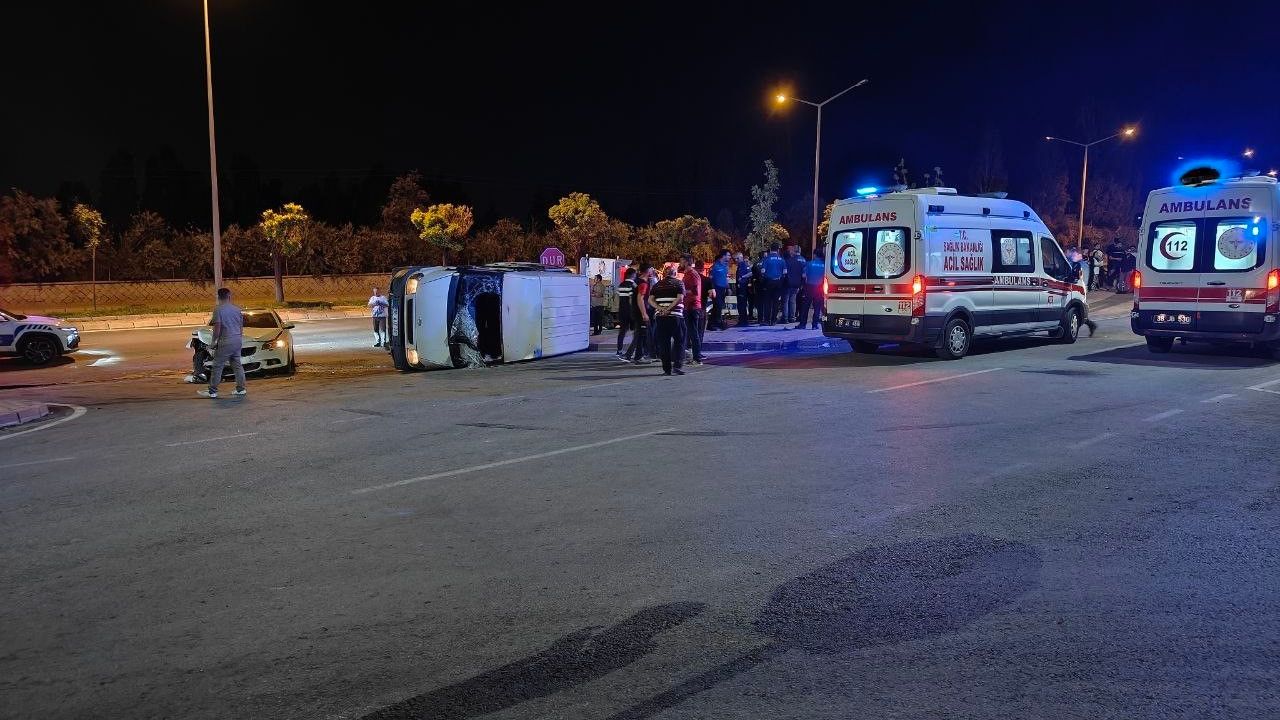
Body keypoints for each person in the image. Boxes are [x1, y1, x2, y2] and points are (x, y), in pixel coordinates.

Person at [198, 287, 247, 399]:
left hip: (225, 341)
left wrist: (213, 342)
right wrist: (238, 338)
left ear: (218, 297)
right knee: (237, 365)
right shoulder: (237, 310)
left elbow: (217, 328)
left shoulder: (218, 310)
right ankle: (241, 389)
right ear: (229, 296)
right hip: (237, 340)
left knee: (217, 366)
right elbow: (240, 327)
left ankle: (212, 391)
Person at [650, 265, 687, 376]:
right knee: (680, 341)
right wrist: (669, 309)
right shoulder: (679, 283)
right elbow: (680, 298)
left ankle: (667, 369)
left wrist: (660, 308)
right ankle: (677, 366)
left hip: (661, 317)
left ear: (664, 274)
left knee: (664, 343)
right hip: (676, 317)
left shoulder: (657, 285)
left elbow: (650, 300)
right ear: (675, 273)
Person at [626, 265, 654, 364]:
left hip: (635, 311)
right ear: (647, 271)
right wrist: (644, 313)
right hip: (640, 312)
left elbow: (631, 298)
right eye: (651, 269)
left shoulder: (636, 282)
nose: (652, 271)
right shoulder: (643, 283)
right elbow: (640, 299)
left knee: (641, 334)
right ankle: (638, 356)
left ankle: (641, 355)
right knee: (641, 334)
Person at [679, 255, 704, 365]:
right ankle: (693, 356)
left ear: (686, 262)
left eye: (681, 261)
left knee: (694, 334)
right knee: (690, 333)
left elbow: (695, 291)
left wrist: (682, 291)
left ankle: (697, 358)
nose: (680, 263)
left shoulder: (693, 274)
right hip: (688, 307)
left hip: (692, 307)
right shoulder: (688, 274)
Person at [796, 247, 826, 329]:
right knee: (817, 307)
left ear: (815, 255)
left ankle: (802, 324)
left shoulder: (809, 264)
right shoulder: (824, 265)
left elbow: (803, 275)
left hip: (809, 287)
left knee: (806, 306)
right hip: (820, 287)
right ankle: (814, 325)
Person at [761, 243, 787, 325]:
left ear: (770, 249)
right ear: (778, 250)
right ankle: (773, 320)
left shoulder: (766, 259)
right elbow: (785, 272)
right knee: (776, 302)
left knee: (767, 301)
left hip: (768, 282)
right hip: (778, 282)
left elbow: (763, 271)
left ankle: (766, 320)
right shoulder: (781, 259)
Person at [615, 268, 637, 359]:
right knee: (636, 332)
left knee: (622, 332)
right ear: (633, 275)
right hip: (631, 312)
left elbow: (617, 298)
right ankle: (634, 350)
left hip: (622, 311)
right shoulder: (633, 285)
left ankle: (619, 350)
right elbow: (631, 299)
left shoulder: (621, 285)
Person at [709, 249, 731, 330]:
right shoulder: (715, 266)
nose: (730, 257)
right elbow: (710, 279)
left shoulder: (725, 266)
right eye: (728, 255)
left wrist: (728, 288)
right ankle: (717, 323)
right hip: (716, 289)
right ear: (723, 256)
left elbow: (725, 278)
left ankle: (711, 324)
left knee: (719, 306)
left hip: (722, 289)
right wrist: (712, 289)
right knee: (717, 306)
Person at [784, 245, 806, 323]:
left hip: (788, 283)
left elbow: (785, 273)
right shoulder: (803, 260)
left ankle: (785, 317)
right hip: (798, 284)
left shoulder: (790, 261)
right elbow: (803, 274)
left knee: (786, 301)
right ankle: (793, 317)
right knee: (794, 301)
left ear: (794, 251)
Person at [734, 251, 752, 326]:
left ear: (740, 258)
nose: (735, 260)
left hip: (742, 287)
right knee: (741, 304)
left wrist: (743, 277)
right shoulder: (740, 265)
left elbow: (750, 273)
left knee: (742, 304)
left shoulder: (744, 265)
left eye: (736, 259)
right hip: (741, 287)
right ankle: (742, 320)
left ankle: (743, 321)